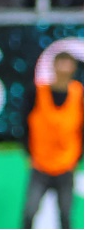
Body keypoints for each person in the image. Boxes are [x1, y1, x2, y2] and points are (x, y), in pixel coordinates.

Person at [21, 52, 83, 229]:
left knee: (65, 215)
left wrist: (78, 157)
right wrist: (28, 152)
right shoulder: (36, 92)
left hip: (66, 165)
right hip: (40, 165)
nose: (64, 68)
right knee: (29, 212)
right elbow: (24, 124)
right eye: (60, 63)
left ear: (74, 68)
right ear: (53, 66)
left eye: (68, 63)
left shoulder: (79, 94)